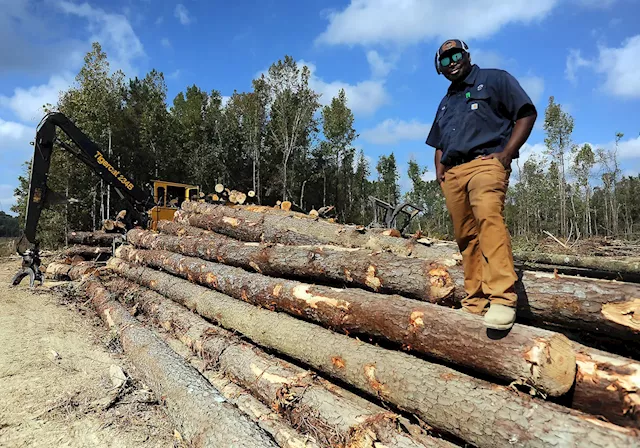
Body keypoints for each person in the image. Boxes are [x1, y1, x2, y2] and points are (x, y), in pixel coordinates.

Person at [425, 39, 537, 330]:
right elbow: (438, 140)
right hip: (455, 174)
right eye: (445, 60)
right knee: (466, 236)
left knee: (489, 219)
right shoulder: (447, 100)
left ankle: (502, 298)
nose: (452, 62)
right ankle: (475, 300)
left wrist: (506, 154)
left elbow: (526, 112)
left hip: (487, 164)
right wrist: (440, 170)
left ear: (467, 55)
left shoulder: (494, 79)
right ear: (440, 68)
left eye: (456, 55)